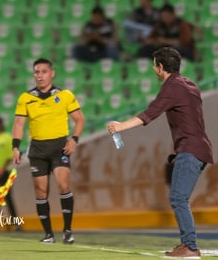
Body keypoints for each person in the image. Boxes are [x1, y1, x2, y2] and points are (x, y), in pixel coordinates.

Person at [107, 47, 213, 259]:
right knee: (179, 197)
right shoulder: (189, 84)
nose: (154, 69)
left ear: (160, 67)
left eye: (154, 65)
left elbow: (149, 114)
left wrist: (120, 127)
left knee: (178, 198)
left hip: (189, 148)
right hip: (199, 147)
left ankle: (190, 247)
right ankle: (187, 244)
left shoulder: (172, 86)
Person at [11, 58, 85, 244]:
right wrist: (15, 147)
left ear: (52, 73)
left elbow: (79, 119)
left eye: (44, 71)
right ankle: (48, 235)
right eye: (37, 72)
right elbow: (19, 124)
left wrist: (74, 139)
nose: (40, 75)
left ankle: (67, 231)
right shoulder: (26, 98)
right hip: (37, 149)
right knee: (41, 191)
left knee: (63, 185)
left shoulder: (65, 95)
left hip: (60, 147)